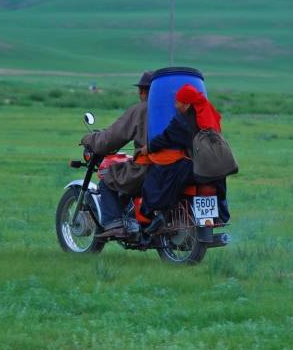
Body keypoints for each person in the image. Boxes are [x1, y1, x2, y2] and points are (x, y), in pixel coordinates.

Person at [140, 84, 230, 233]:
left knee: (156, 176)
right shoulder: (207, 113)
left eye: (178, 102)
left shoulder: (182, 121)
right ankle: (219, 216)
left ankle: (157, 214)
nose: (175, 105)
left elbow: (165, 138)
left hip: (199, 169)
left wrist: (148, 148)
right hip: (217, 168)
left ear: (187, 103)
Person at [81, 71, 153, 234]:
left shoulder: (141, 110)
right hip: (177, 166)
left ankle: (115, 224)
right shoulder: (176, 108)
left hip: (148, 169)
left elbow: (111, 138)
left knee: (109, 177)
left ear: (142, 91)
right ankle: (133, 217)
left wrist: (89, 139)